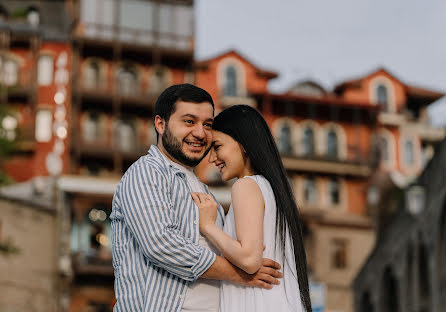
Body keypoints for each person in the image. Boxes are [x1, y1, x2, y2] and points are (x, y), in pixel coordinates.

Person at [110, 84, 282, 312]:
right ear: (160, 124)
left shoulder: (205, 191)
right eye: (189, 121)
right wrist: (241, 275)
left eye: (207, 124)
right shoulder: (147, 172)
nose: (200, 133)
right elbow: (161, 245)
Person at [191, 105, 313, 312]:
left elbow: (249, 259)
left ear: (243, 144)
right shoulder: (271, 189)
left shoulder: (245, 185)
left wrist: (208, 227)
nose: (211, 158)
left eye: (217, 146)